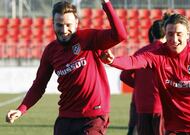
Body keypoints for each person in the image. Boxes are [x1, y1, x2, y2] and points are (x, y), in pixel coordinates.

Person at [100, 14, 190, 134]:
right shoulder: (157, 54)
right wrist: (113, 60)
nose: (174, 39)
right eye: (170, 34)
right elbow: (133, 61)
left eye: (179, 34)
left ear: (187, 34)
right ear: (165, 34)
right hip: (175, 125)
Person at [5, 0, 127, 135]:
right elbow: (39, 85)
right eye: (59, 25)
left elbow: (120, 35)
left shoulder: (89, 38)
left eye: (68, 25)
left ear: (76, 23)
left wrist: (106, 4)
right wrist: (21, 109)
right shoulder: (50, 51)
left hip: (93, 116)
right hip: (66, 117)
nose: (64, 30)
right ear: (53, 24)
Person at [123, 14, 170, 135]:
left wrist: (139, 86)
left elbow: (124, 75)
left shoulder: (140, 52)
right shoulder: (168, 52)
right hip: (161, 105)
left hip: (141, 105)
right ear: (166, 33)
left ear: (152, 34)